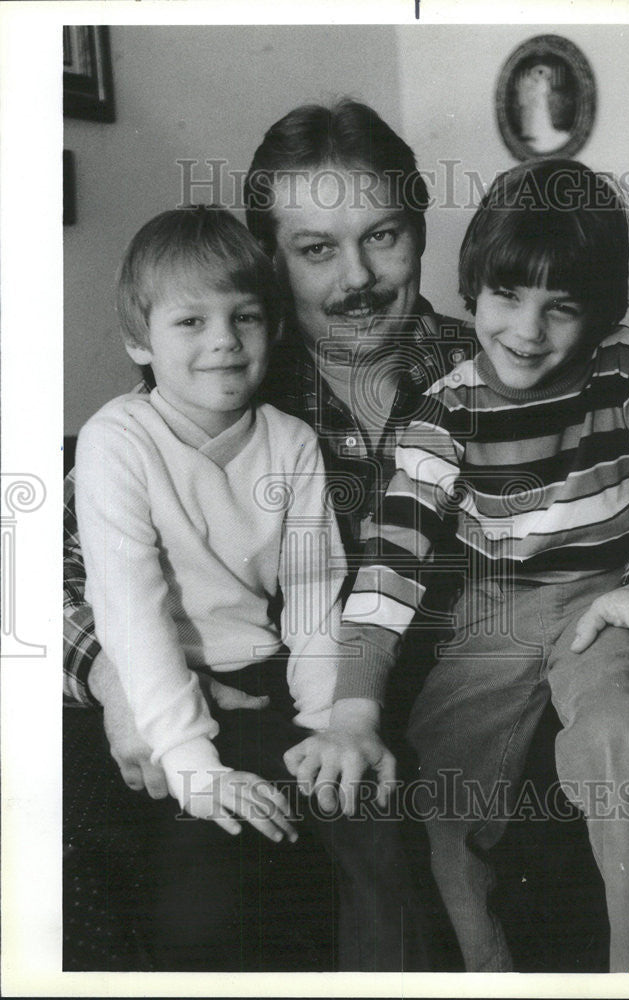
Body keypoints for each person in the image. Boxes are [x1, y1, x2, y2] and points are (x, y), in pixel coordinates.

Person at [64, 100, 629, 969]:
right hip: (303, 717)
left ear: (423, 231)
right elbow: (65, 551)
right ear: (270, 263)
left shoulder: (510, 361)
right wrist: (108, 668)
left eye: (382, 236)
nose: (356, 277)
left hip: (495, 700)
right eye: (316, 249)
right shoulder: (222, 377)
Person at [315, 159, 629, 972]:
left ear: (600, 314)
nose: (527, 331)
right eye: (506, 297)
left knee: (623, 747)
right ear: (471, 288)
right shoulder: (444, 409)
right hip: (496, 605)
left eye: (562, 308)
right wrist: (351, 709)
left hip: (608, 598)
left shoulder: (628, 368)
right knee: (436, 787)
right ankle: (489, 974)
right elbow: (388, 570)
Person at [68, 205, 428, 971]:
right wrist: (195, 769)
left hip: (265, 682)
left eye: (247, 317)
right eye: (191, 322)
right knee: (205, 887)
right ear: (140, 340)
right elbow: (131, 617)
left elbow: (312, 596)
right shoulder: (115, 443)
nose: (225, 340)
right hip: (165, 694)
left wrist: (329, 725)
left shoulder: (291, 442)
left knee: (369, 823)